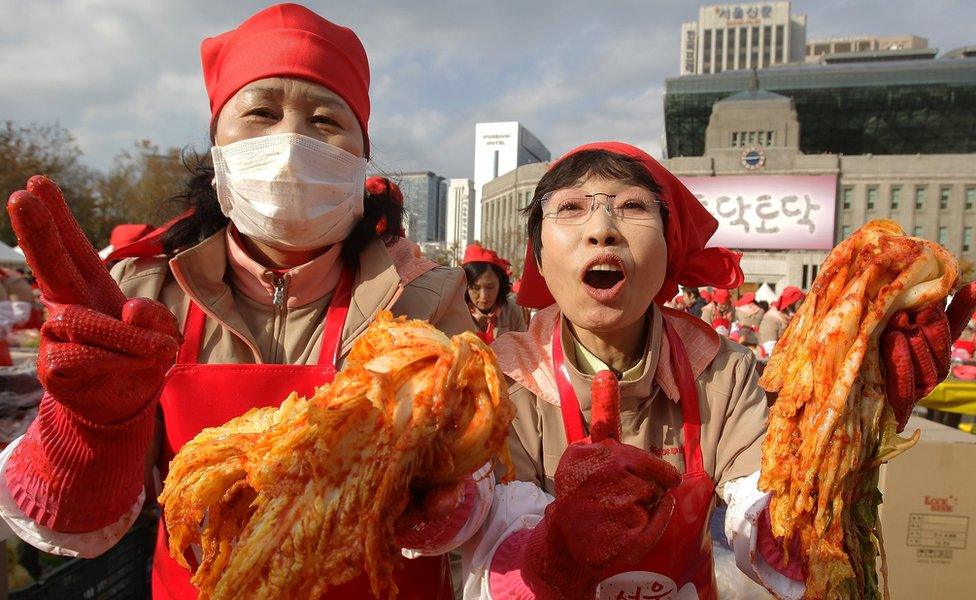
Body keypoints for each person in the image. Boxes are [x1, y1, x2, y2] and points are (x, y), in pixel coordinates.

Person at [0, 5, 478, 599]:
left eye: (325, 120)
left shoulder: (427, 301)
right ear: (217, 147)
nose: (290, 141)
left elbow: (472, 494)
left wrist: (441, 489)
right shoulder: (143, 294)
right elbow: (77, 527)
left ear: (361, 155)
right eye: (261, 113)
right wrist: (91, 426)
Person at [451, 141, 973, 600]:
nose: (602, 230)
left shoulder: (722, 369)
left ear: (669, 252)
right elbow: (486, 537)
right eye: (569, 209)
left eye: (632, 206)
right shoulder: (498, 381)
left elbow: (767, 510)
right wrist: (554, 551)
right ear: (538, 258)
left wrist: (852, 425)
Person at [462, 243, 526, 343]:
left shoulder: (512, 310)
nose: (484, 296)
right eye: (475, 288)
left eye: (490, 287)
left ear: (500, 284)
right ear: (465, 287)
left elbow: (523, 345)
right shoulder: (456, 313)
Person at [759, 286, 805, 357]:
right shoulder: (771, 319)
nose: (803, 306)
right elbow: (769, 348)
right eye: (800, 303)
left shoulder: (793, 318)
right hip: (768, 362)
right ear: (789, 306)